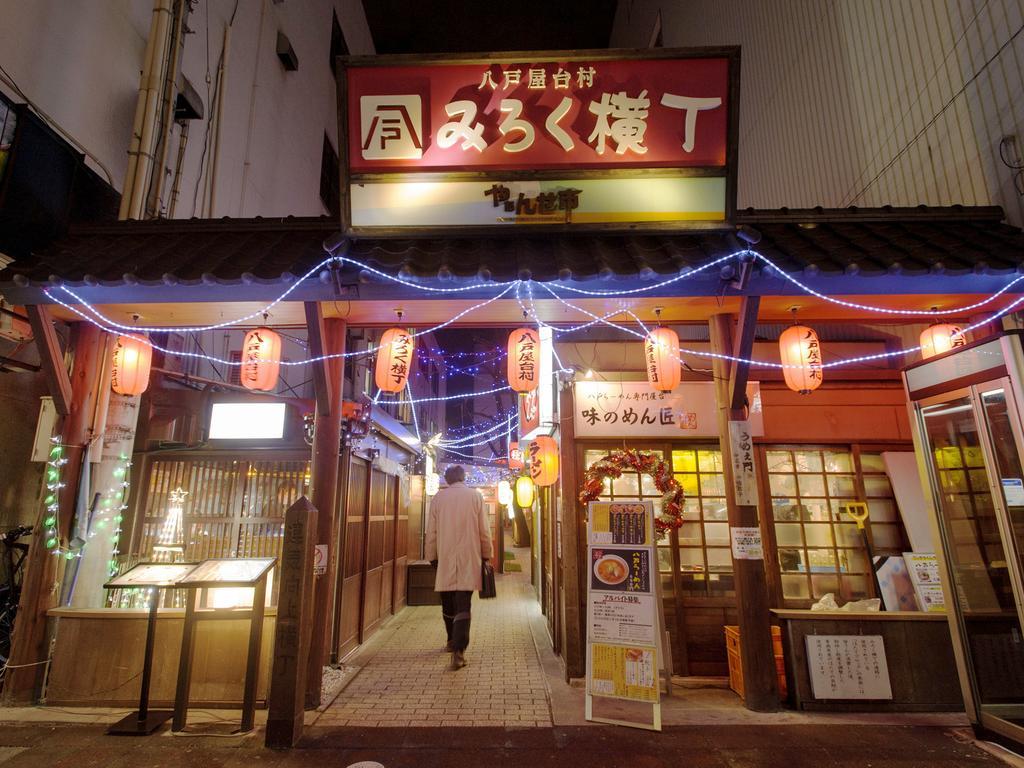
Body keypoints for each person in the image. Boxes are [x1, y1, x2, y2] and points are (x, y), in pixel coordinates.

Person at [425, 465, 493, 670]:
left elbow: (432, 532)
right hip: (469, 558)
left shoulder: (438, 498)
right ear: (463, 478)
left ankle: (450, 640)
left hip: (444, 558)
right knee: (463, 604)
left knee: (447, 602)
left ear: (447, 479)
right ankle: (459, 651)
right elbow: (484, 529)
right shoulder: (475, 497)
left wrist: (431, 557)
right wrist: (487, 554)